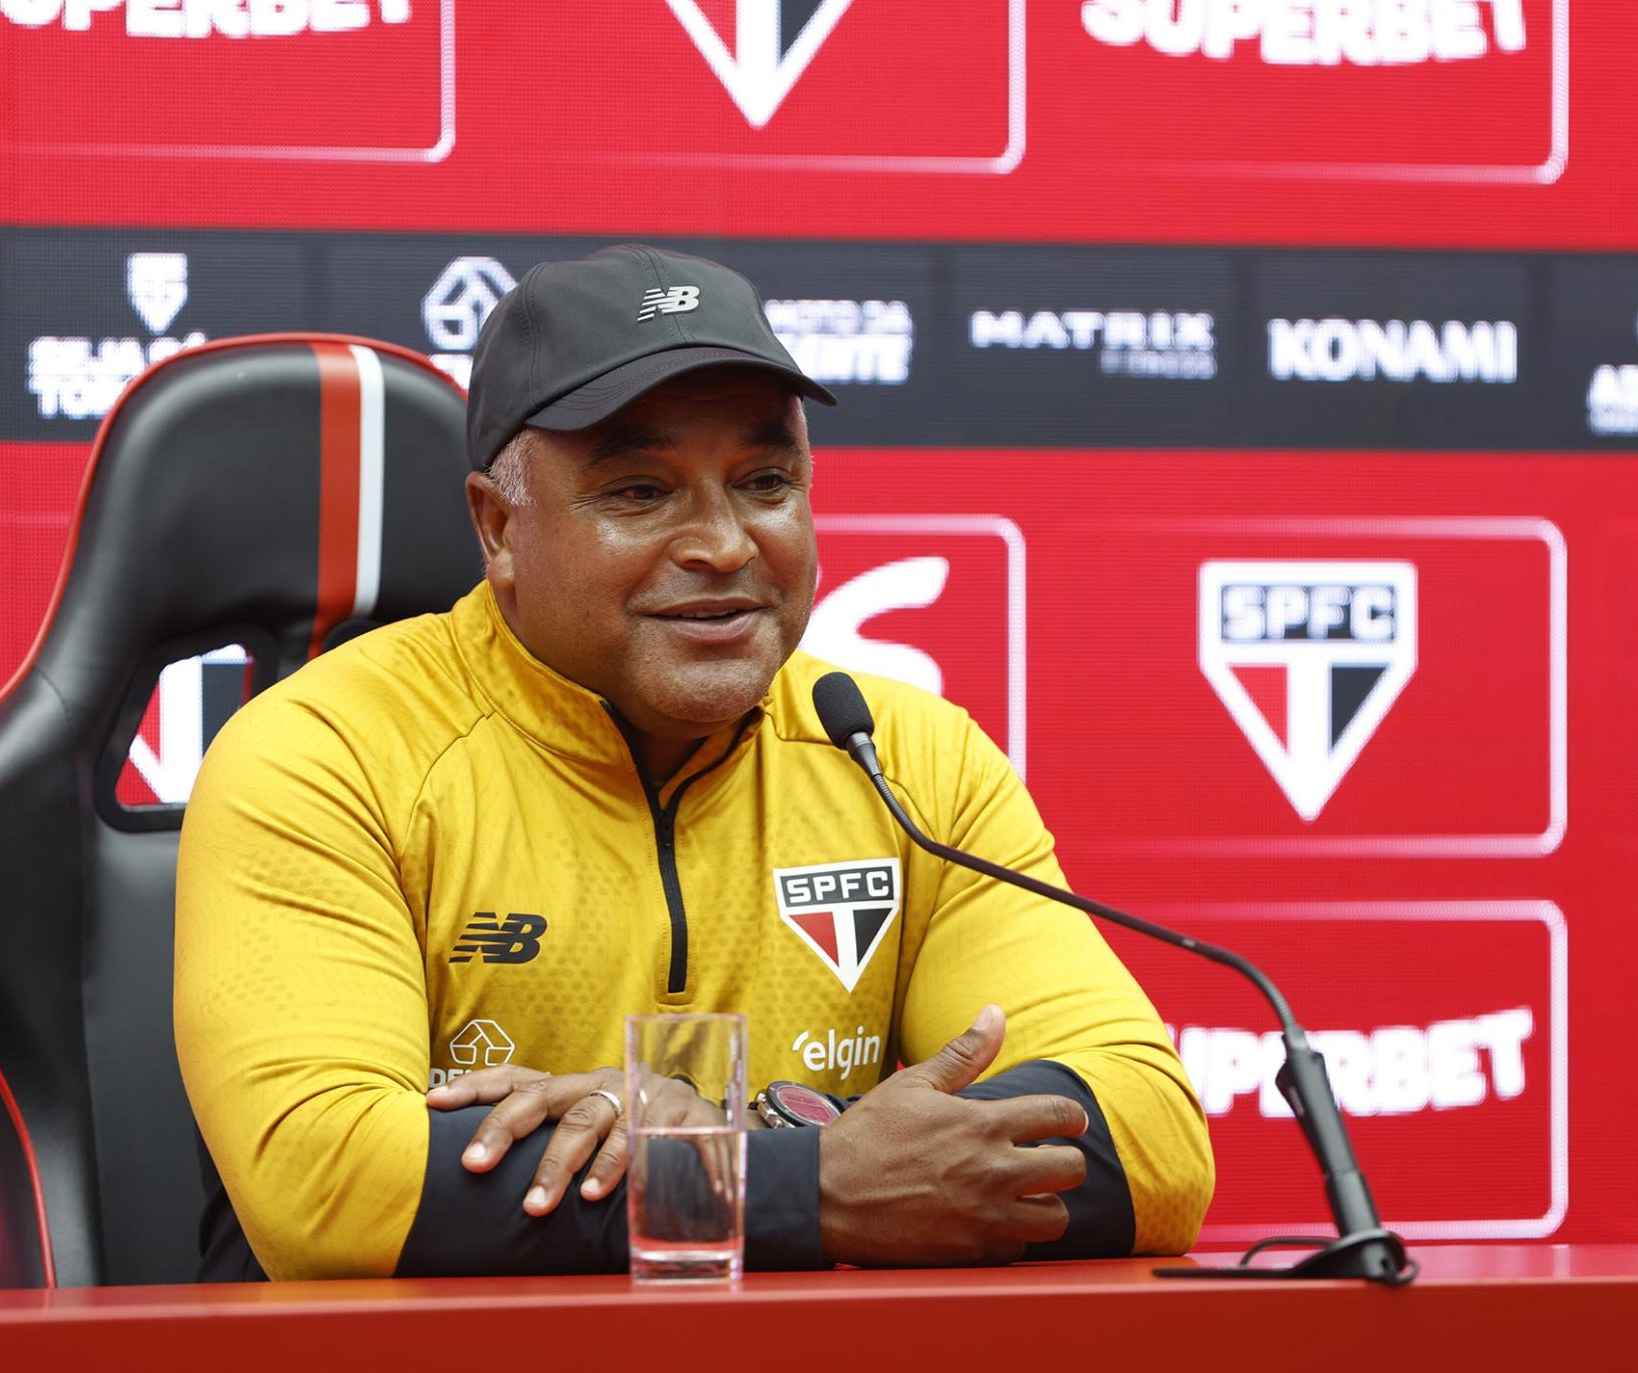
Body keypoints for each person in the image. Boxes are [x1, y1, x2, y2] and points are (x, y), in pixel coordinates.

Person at [174, 244, 1214, 1281]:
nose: (722, 541)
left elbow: (1155, 1141)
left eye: (765, 481)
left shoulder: (905, 759)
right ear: (497, 525)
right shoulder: (327, 753)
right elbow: (328, 1185)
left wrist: (762, 1135)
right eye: (638, 490)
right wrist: (816, 1183)